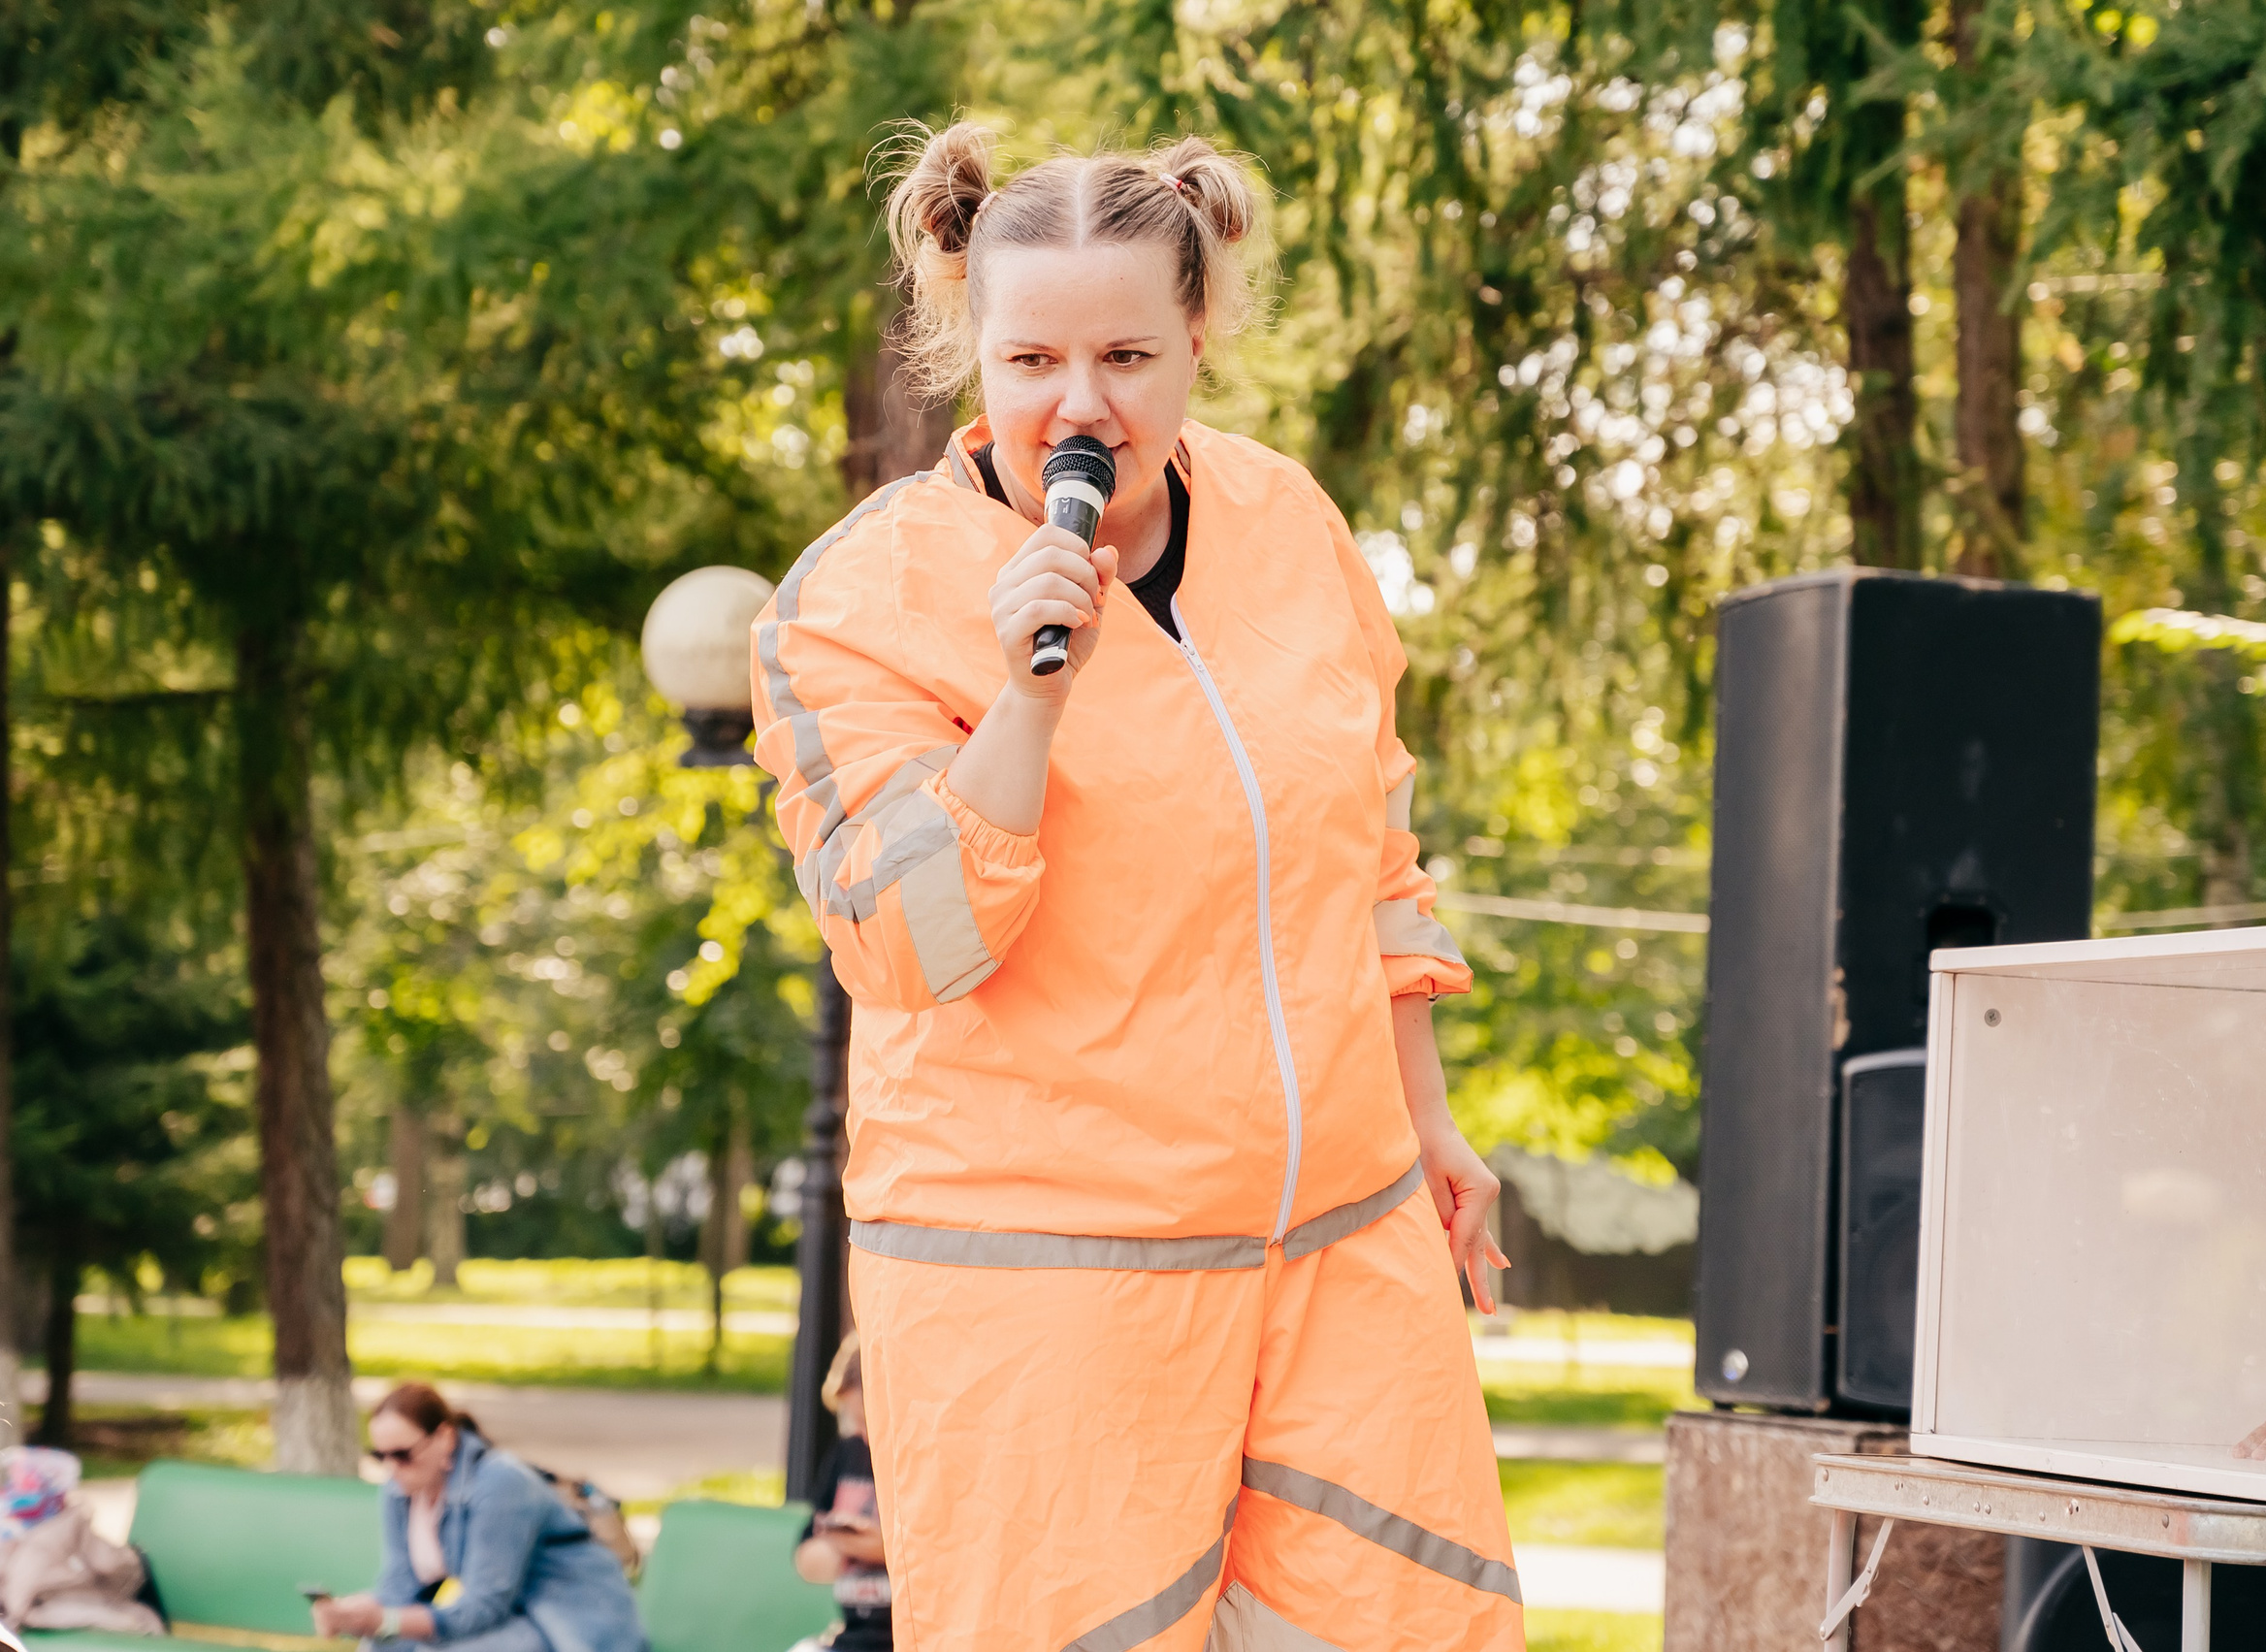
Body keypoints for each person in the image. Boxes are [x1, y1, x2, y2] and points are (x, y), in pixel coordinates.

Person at [751, 121, 1520, 1650]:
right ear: (967, 339)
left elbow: (1369, 844)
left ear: (1199, 338)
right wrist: (1031, 692)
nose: (1079, 404)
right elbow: (907, 942)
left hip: (1337, 1239)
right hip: (1052, 1278)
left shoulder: (1289, 521)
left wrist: (1430, 1118)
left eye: (1126, 354)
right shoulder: (858, 601)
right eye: (1030, 358)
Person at [310, 1384, 647, 1652]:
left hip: (571, 1620)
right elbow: (400, 1588)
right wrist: (353, 1614)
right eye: (379, 1455)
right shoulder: (398, 1492)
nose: (390, 1468)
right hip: (514, 1613)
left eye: (402, 1455)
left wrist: (388, 1621)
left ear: (444, 1438)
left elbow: (484, 1606)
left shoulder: (500, 1483)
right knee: (381, 1647)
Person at [792, 1336, 890, 1652]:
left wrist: (885, 1551)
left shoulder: (919, 1462)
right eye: (854, 1421)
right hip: (850, 1637)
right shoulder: (847, 1454)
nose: (862, 1434)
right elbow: (807, 1561)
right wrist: (851, 1545)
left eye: (869, 1422)